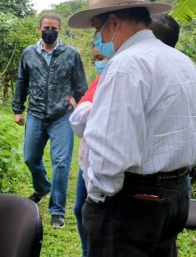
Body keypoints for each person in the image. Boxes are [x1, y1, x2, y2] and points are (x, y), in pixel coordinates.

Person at [68, 0, 196, 256]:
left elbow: (111, 149)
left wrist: (99, 196)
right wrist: (172, 172)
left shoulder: (126, 64)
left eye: (97, 29)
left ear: (113, 22)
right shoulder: (181, 61)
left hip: (131, 202)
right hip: (175, 197)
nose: (98, 38)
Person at [12, 13, 88, 228]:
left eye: (54, 28)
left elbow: (81, 85)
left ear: (59, 30)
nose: (50, 31)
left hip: (62, 115)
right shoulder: (29, 53)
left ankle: (57, 210)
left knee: (62, 164)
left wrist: (85, 111)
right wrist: (18, 109)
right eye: (46, 27)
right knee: (30, 157)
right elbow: (21, 81)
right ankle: (43, 187)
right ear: (39, 28)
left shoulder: (71, 54)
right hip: (35, 113)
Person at [70, 45, 110, 257]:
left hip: (103, 163)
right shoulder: (99, 79)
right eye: (95, 58)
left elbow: (80, 117)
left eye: (101, 57)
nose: (98, 63)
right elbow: (79, 116)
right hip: (88, 157)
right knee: (80, 209)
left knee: (93, 215)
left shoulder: (120, 76)